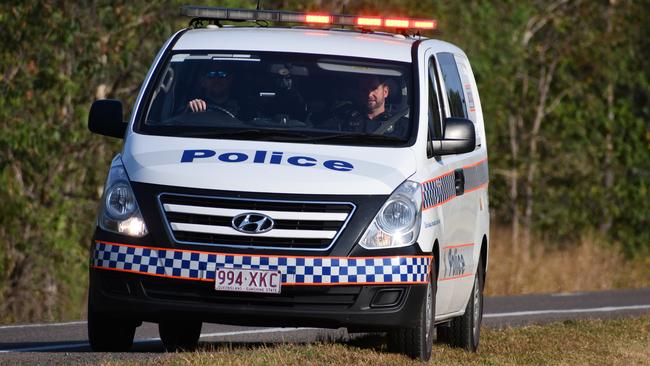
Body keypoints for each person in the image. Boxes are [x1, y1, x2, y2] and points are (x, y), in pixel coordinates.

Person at [333, 75, 409, 137]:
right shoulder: (343, 119)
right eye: (364, 90)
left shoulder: (401, 125)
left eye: (374, 88)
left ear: (385, 92)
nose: (369, 94)